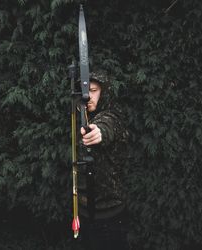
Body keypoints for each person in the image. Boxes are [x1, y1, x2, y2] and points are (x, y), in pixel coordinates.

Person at [76, 71, 130, 250]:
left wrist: (98, 132)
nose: (88, 96)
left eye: (93, 90)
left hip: (109, 214)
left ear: (103, 92)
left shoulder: (112, 116)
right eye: (85, 90)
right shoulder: (82, 117)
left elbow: (106, 127)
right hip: (84, 211)